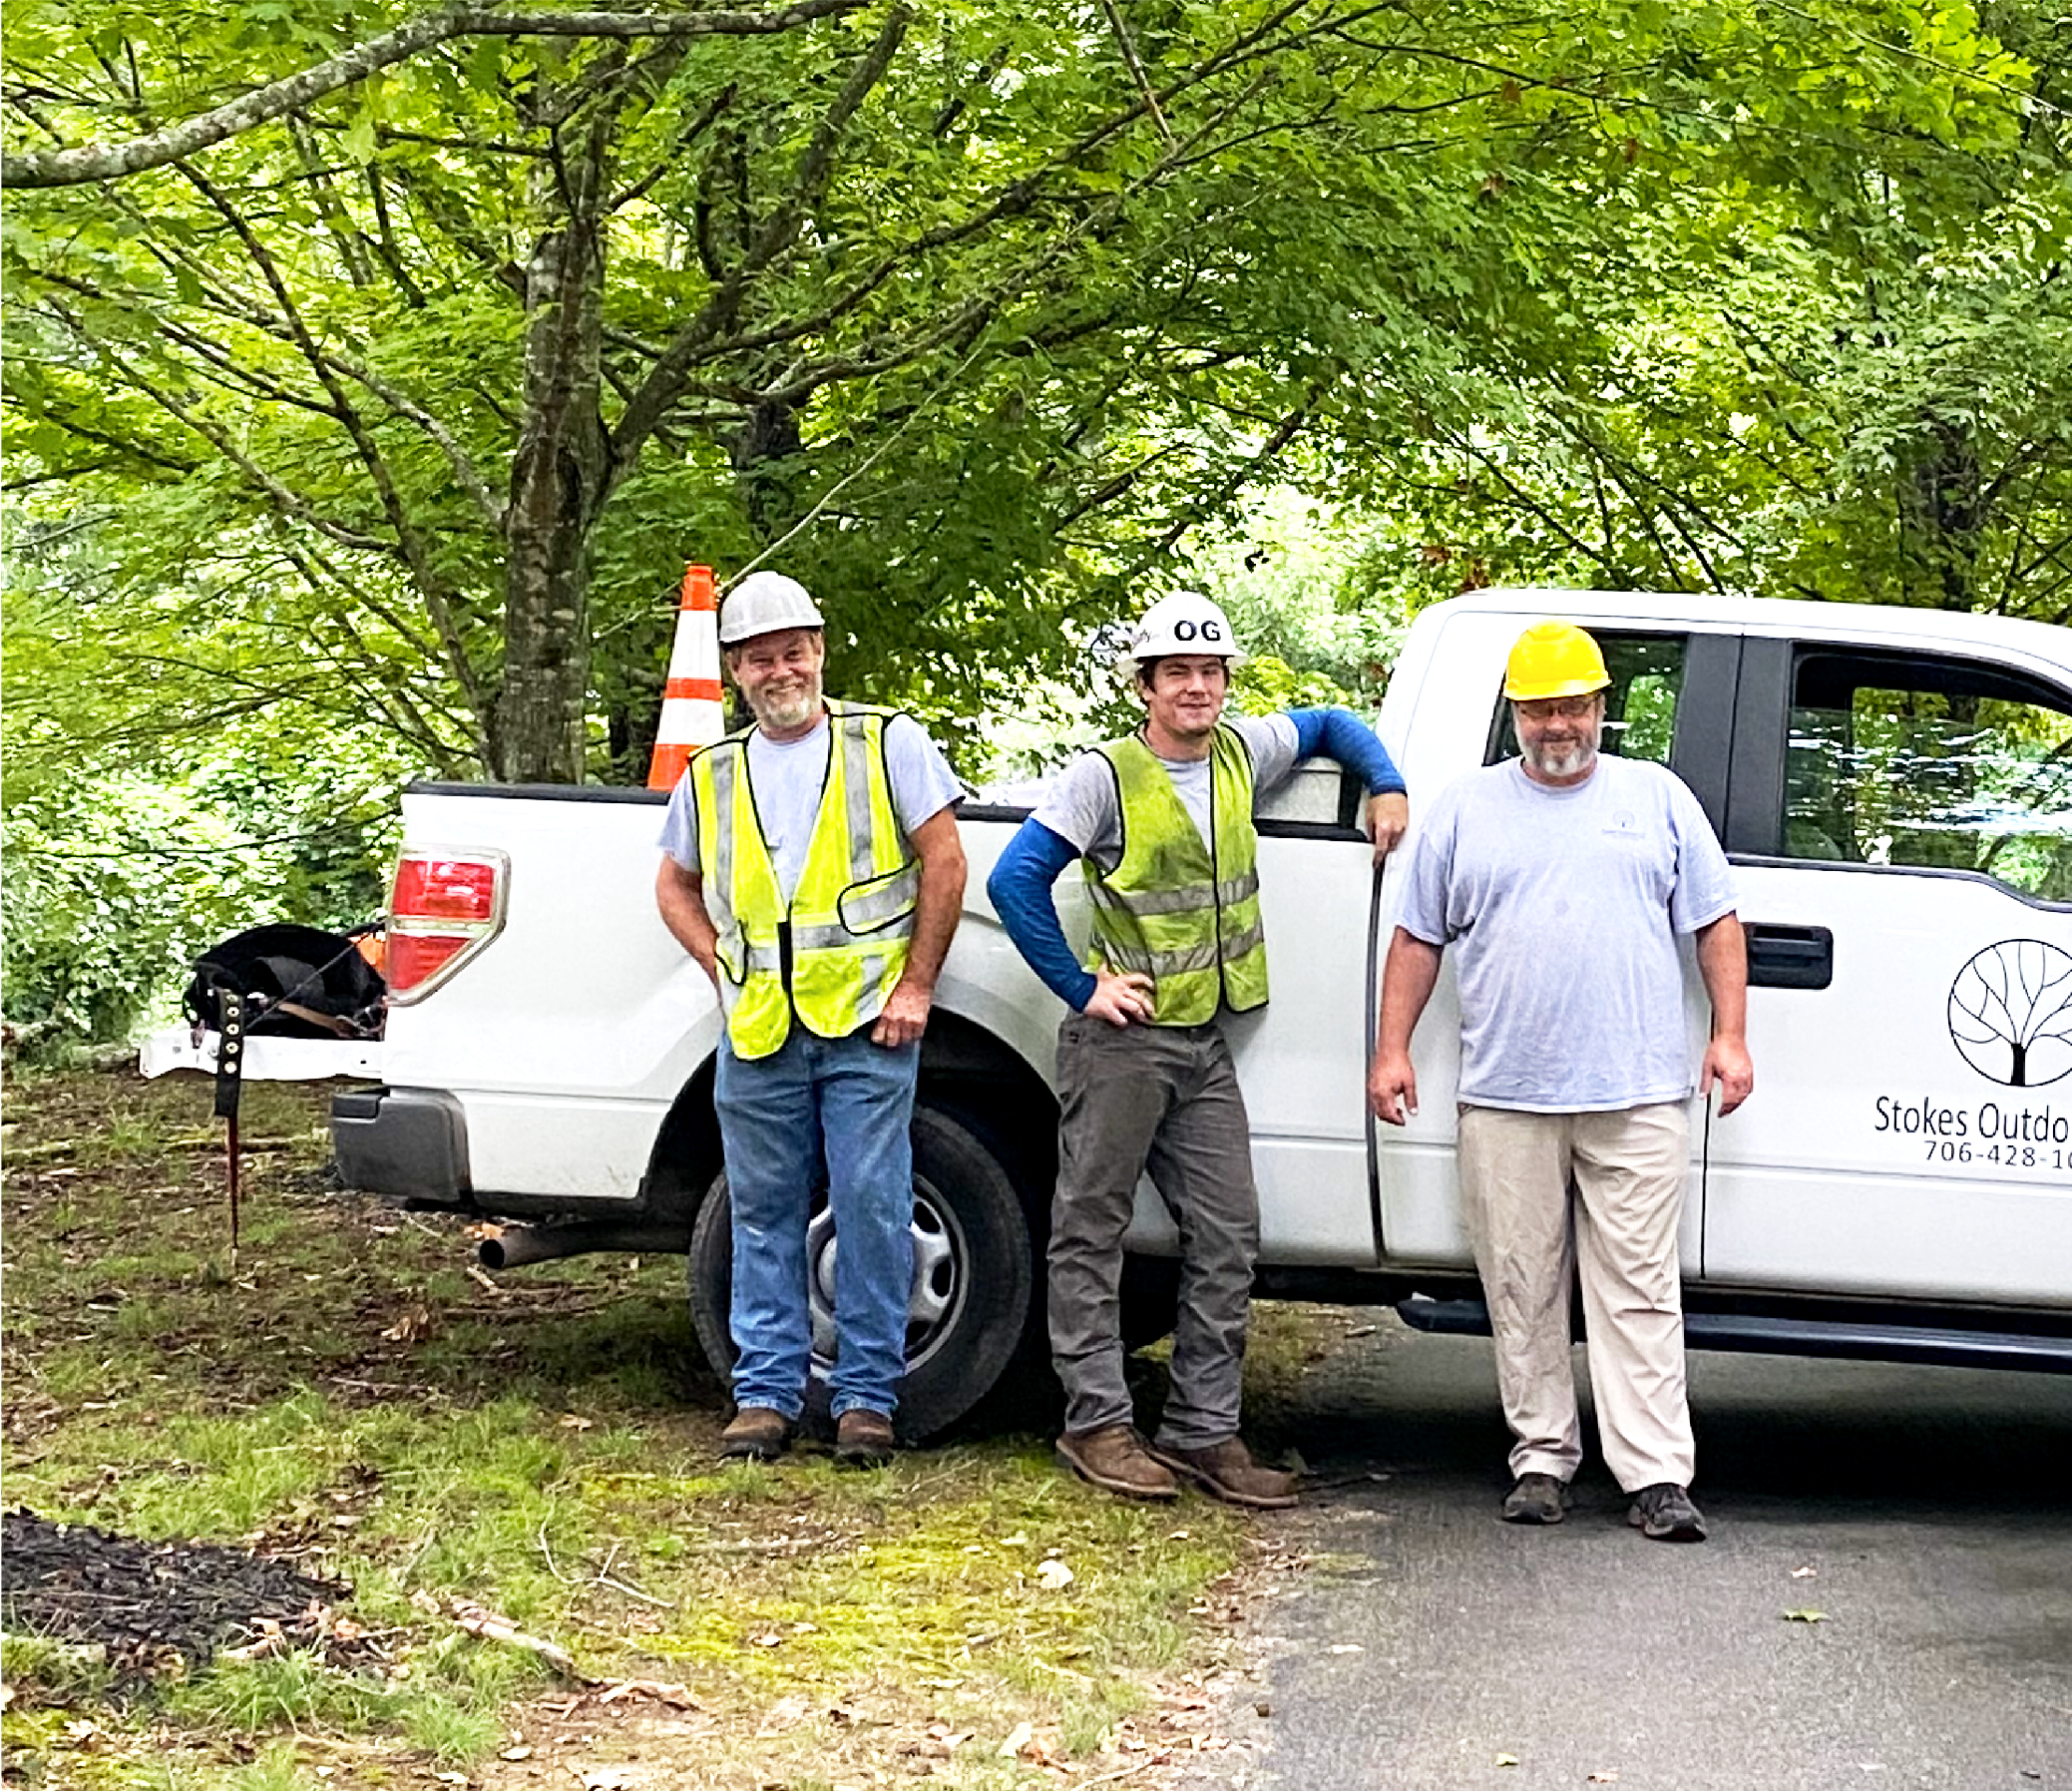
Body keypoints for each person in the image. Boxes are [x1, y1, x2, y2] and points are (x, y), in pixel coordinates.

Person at [988, 591, 1408, 1510]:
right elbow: (1015, 879)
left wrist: (1386, 784)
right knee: (1090, 1230)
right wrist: (1083, 985)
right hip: (1123, 1045)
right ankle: (1096, 1422)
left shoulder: (1237, 755)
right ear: (1145, 684)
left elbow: (1335, 720)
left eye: (1211, 672)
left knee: (1229, 1235)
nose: (1197, 688)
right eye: (1177, 673)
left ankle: (1201, 1431)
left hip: (1204, 1041)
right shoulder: (1104, 776)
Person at [1368, 622, 1753, 1544]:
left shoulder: (1657, 798)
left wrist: (1731, 1036)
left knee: (1639, 1289)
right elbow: (1418, 938)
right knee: (1522, 1282)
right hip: (1506, 1094)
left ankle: (1655, 1473)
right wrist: (1391, 1050)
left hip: (1637, 1094)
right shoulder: (1465, 808)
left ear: (1601, 707)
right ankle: (1541, 1457)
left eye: (1574, 705)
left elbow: (1717, 921)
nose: (1558, 724)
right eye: (1540, 708)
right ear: (1517, 714)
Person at [655, 569, 969, 1470]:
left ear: (820, 651)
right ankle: (765, 1396)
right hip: (757, 1031)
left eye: (793, 651)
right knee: (763, 1212)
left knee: (872, 1206)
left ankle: (866, 1400)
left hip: (868, 1024)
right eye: (760, 658)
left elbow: (944, 862)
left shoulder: (886, 744)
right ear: (736, 672)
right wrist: (719, 960)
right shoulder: (712, 773)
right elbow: (673, 884)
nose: (780, 670)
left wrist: (916, 986)